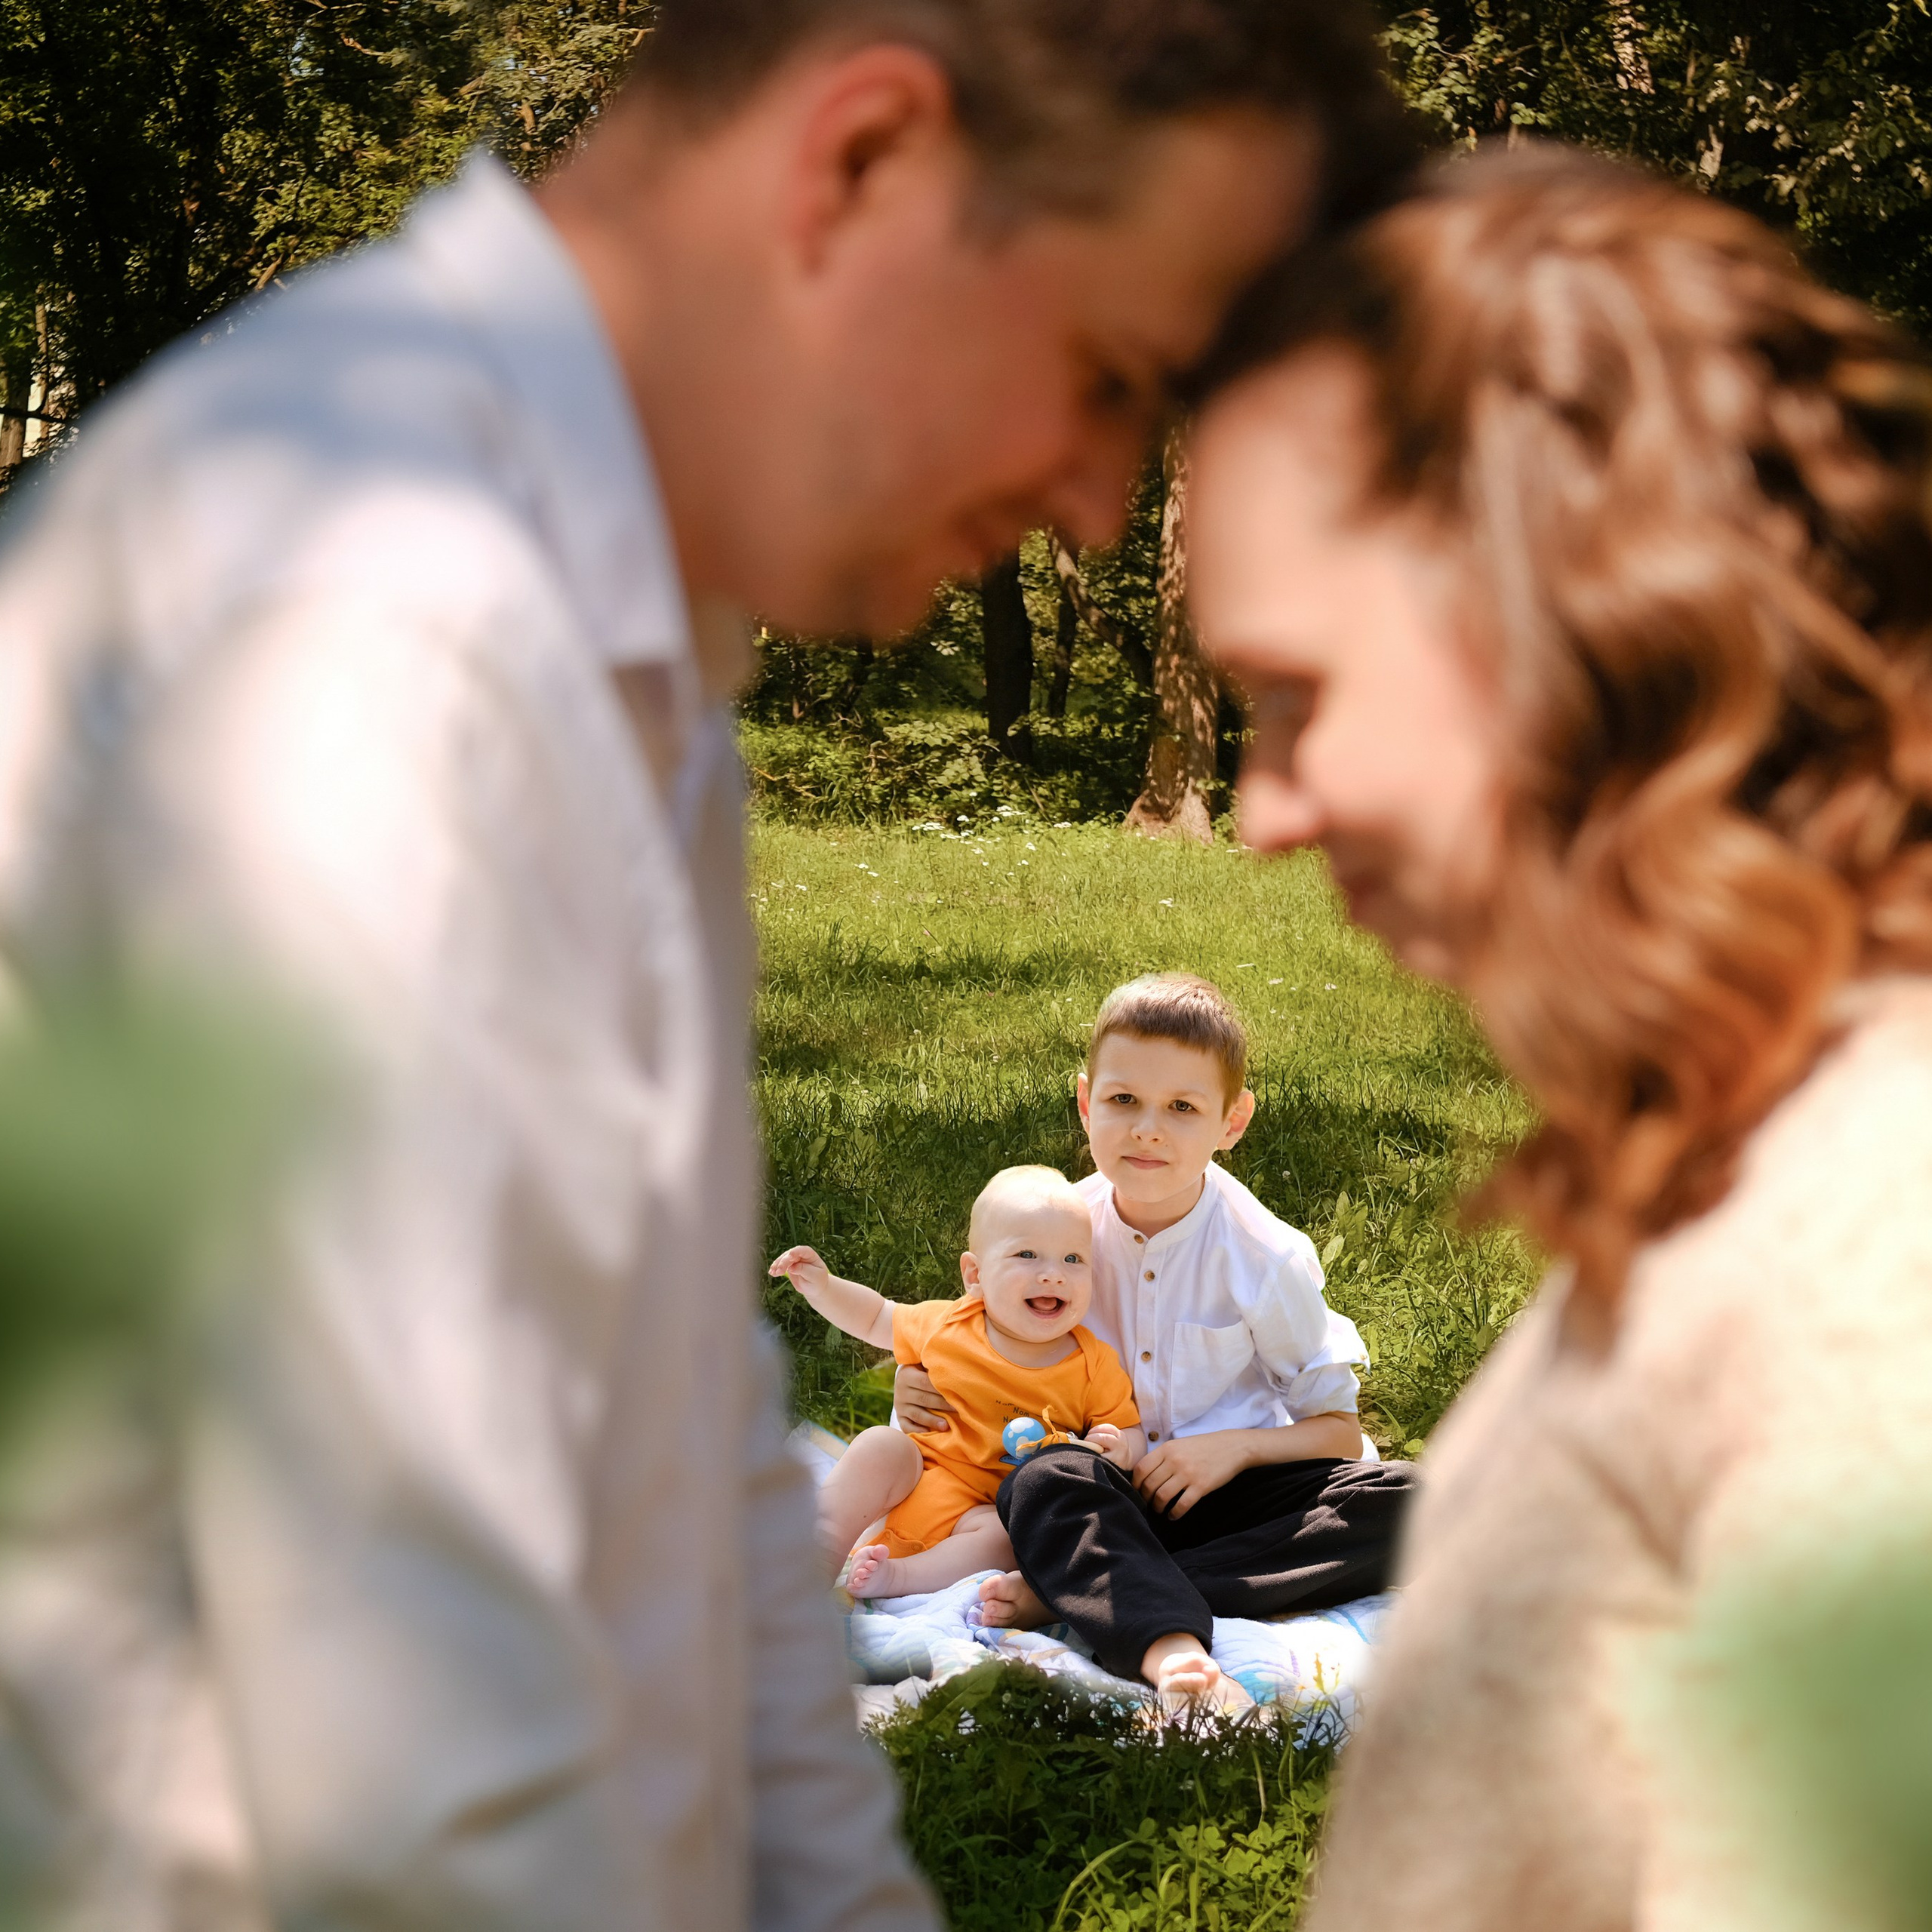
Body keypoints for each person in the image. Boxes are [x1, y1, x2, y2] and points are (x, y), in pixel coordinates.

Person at [0, 2, 1416, 1926]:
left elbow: (677, 1454)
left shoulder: (624, 653)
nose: (1099, 503)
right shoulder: (380, 601)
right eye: (1097, 372)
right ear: (857, 164)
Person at [1186, 140, 1932, 1932]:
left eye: (1295, 697)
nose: (1263, 807)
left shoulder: (1863, 1252)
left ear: (1563, 616)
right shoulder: (1751, 1142)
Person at [900, 973, 1417, 1704]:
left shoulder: (1264, 1257)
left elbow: (1335, 1431)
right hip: (1101, 1488)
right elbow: (973, 1344)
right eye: (1123, 1101)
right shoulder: (1054, 1231)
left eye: (1181, 1107)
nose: (1147, 1128)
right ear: (1086, 1101)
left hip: (1232, 1492)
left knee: (1413, 1500)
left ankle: (1081, 1586)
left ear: (1230, 1123)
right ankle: (1142, 1613)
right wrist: (921, 1375)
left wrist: (1233, 1447)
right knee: (1042, 1480)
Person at [769, 1165, 1142, 1599]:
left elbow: (1128, 1429)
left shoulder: (1092, 1363)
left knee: (1008, 1538)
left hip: (986, 1509)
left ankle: (899, 1577)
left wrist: (1120, 1447)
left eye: (1073, 1259)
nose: (1053, 1274)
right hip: (916, 1474)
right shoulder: (950, 1324)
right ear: (975, 1275)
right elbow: (875, 1316)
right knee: (879, 1446)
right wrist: (823, 1287)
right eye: (1027, 1255)